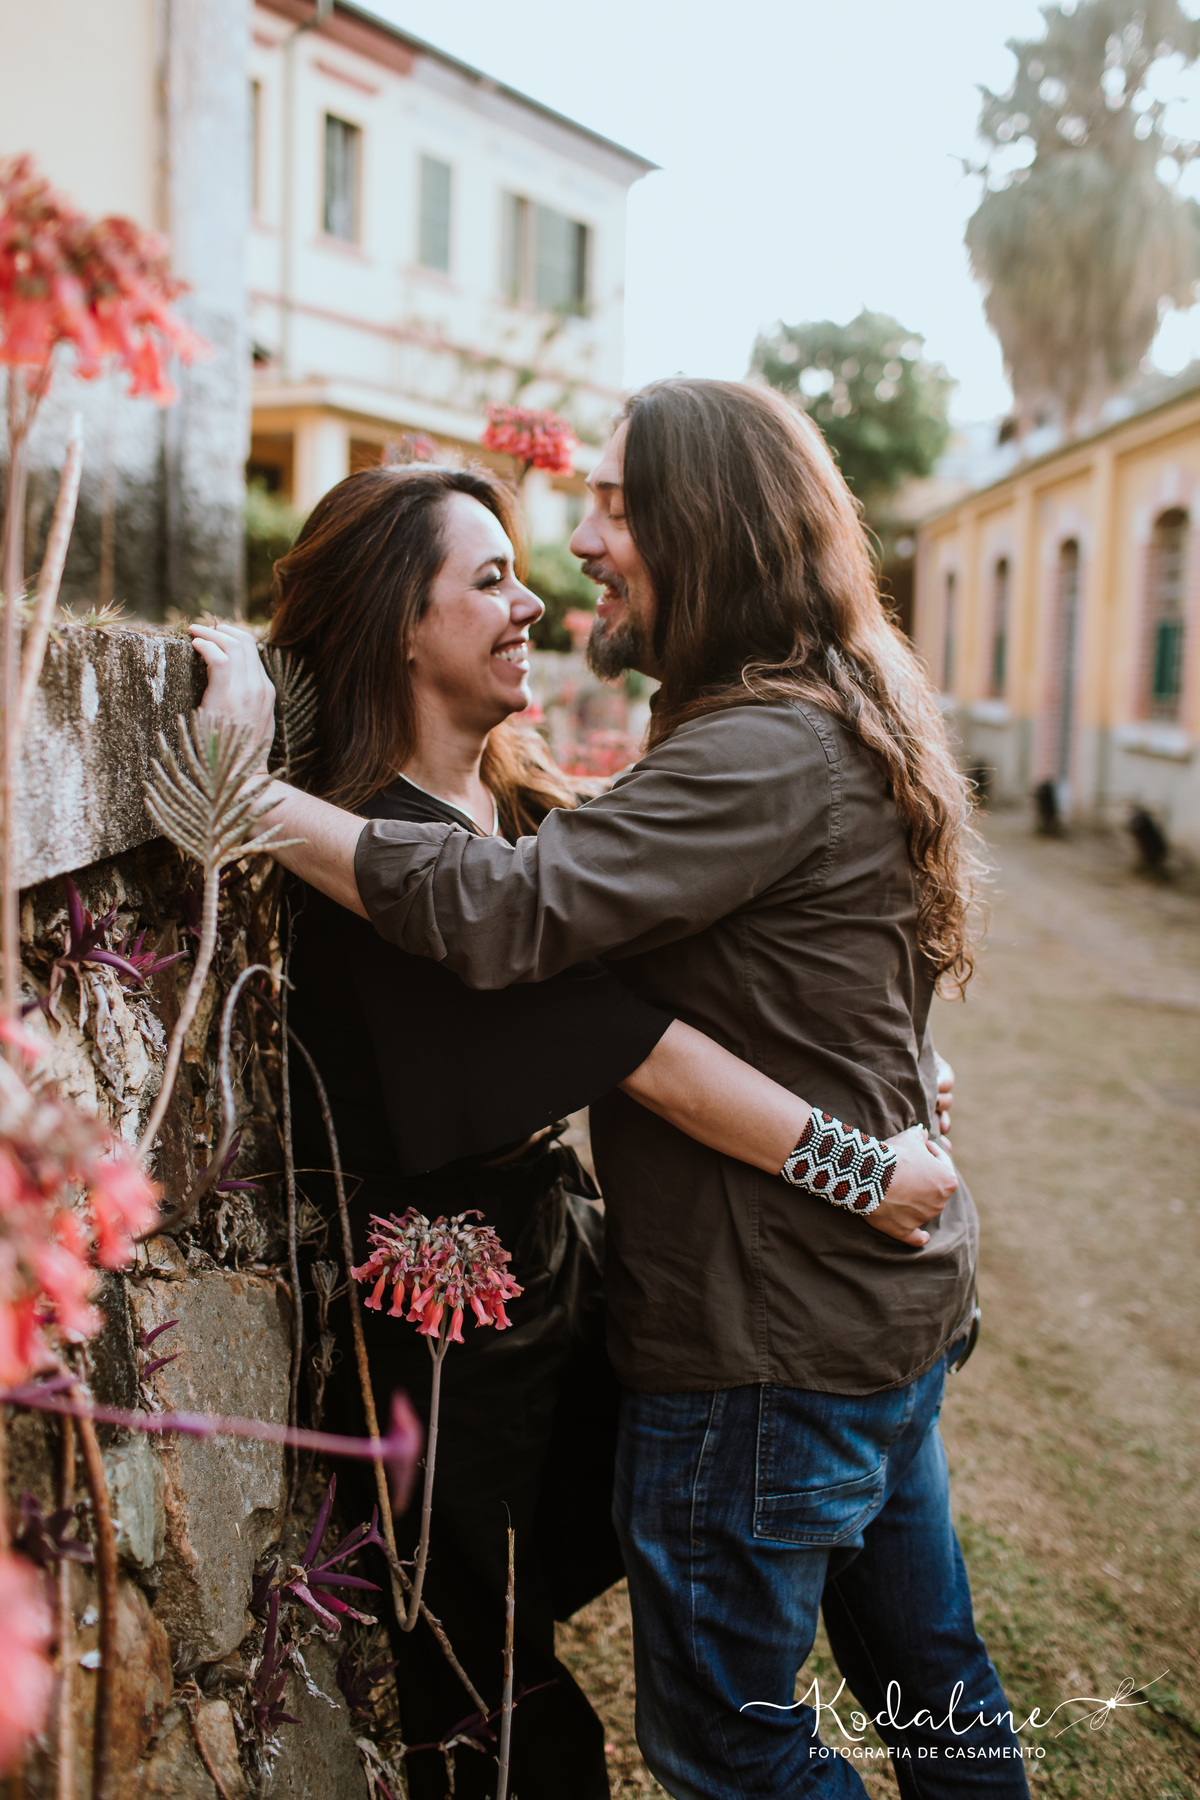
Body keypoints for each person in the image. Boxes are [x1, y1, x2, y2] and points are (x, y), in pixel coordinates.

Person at [191, 457, 957, 1800]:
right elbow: (659, 1062)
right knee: (494, 1680)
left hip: (572, 1268)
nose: (534, 600)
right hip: (444, 1340)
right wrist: (863, 1166)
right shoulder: (385, 874)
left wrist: (901, 1071)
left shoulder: (527, 809)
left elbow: (745, 958)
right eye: (489, 579)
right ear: (397, 625)